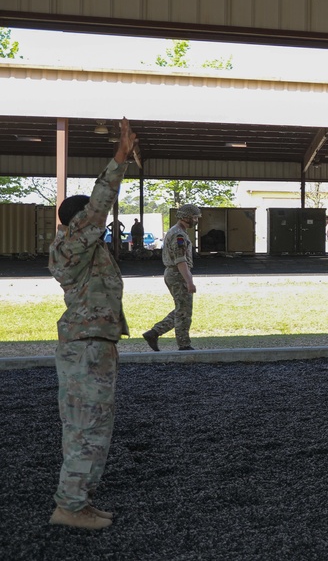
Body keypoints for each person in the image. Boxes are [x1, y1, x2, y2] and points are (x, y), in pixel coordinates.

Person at [47, 117, 137, 530]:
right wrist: (120, 156)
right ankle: (69, 506)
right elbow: (99, 204)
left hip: (91, 345)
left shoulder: (80, 249)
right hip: (85, 348)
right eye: (91, 218)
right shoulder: (73, 244)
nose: (98, 221)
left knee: (91, 427)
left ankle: (79, 501)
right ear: (80, 221)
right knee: (87, 429)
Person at [143, 203, 201, 351]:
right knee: (183, 311)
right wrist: (189, 282)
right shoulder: (179, 235)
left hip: (175, 273)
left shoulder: (178, 232)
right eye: (194, 217)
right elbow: (180, 260)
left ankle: (154, 333)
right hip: (177, 274)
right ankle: (184, 345)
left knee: (182, 309)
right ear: (185, 218)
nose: (196, 220)